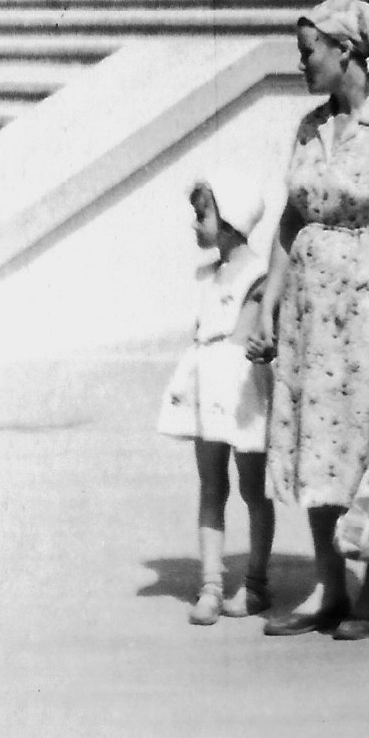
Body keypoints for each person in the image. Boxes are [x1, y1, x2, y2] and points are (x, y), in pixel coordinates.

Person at [248, 0, 369, 641]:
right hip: (309, 314)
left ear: (345, 51)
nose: (300, 64)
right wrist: (268, 302)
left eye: (308, 52)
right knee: (315, 444)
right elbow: (291, 217)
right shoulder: (308, 127)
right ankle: (330, 586)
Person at [156, 171, 276, 625]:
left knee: (252, 487)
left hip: (241, 390)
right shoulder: (207, 274)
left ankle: (257, 582)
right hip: (207, 387)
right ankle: (211, 583)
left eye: (202, 214)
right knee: (211, 485)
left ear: (230, 220)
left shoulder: (259, 275)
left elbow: (258, 335)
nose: (194, 223)